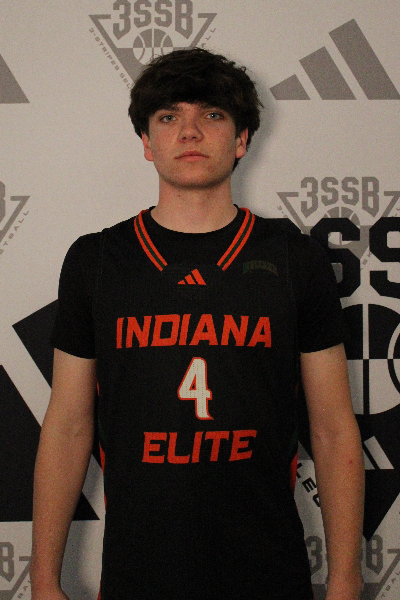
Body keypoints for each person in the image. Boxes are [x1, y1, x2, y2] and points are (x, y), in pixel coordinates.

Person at [31, 48, 364, 600]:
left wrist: (346, 578)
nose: (189, 131)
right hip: (139, 576)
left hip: (269, 574)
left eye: (212, 114)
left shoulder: (292, 258)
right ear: (147, 142)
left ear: (241, 139)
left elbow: (331, 428)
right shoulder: (98, 259)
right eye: (169, 117)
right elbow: (67, 425)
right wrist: (44, 579)